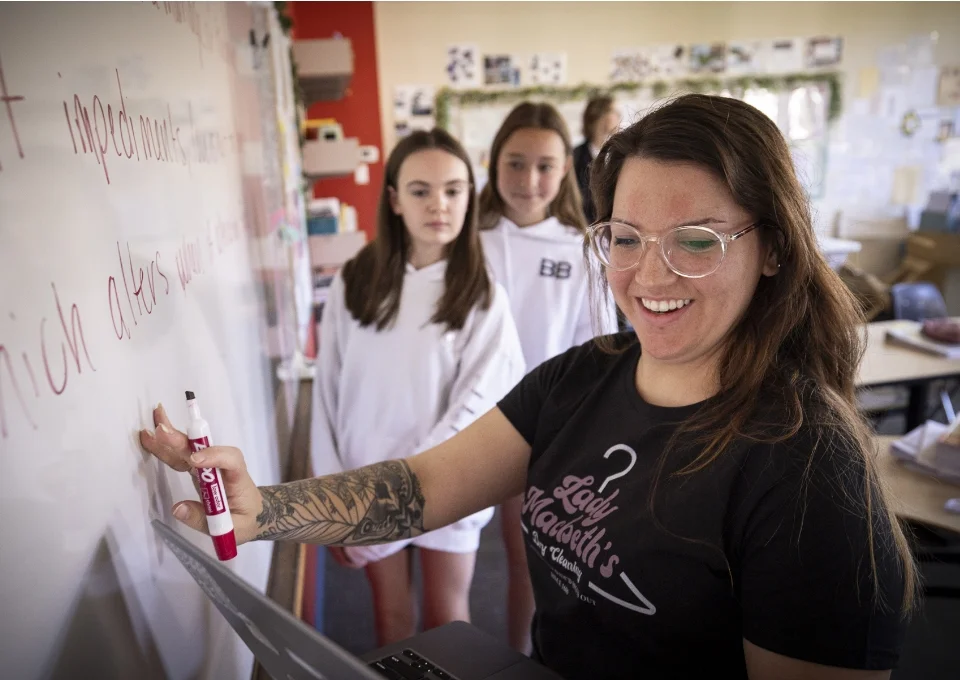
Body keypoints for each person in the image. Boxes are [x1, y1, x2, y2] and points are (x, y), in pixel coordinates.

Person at [142, 94, 916, 680]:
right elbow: (421, 487)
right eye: (625, 238)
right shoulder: (582, 378)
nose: (650, 275)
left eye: (695, 241)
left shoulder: (808, 469)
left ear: (774, 248)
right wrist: (264, 509)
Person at [308, 128, 525, 646]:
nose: (439, 205)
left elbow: (477, 404)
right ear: (394, 200)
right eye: (421, 190)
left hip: (448, 480)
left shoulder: (481, 293)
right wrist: (334, 495)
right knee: (392, 621)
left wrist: (402, 489)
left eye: (453, 190)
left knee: (446, 622)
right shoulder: (356, 278)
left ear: (469, 197)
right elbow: (328, 389)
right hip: (365, 483)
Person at [477, 100, 619, 653]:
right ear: (493, 164)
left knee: (529, 564)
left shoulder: (584, 247)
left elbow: (603, 351)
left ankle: (520, 660)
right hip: (464, 425)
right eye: (515, 163)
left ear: (566, 169)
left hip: (544, 434)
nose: (528, 180)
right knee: (448, 561)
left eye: (544, 165)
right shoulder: (468, 239)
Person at [572, 95, 621, 223]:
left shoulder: (622, 154)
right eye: (614, 112)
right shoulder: (575, 156)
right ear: (600, 116)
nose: (619, 117)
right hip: (583, 229)